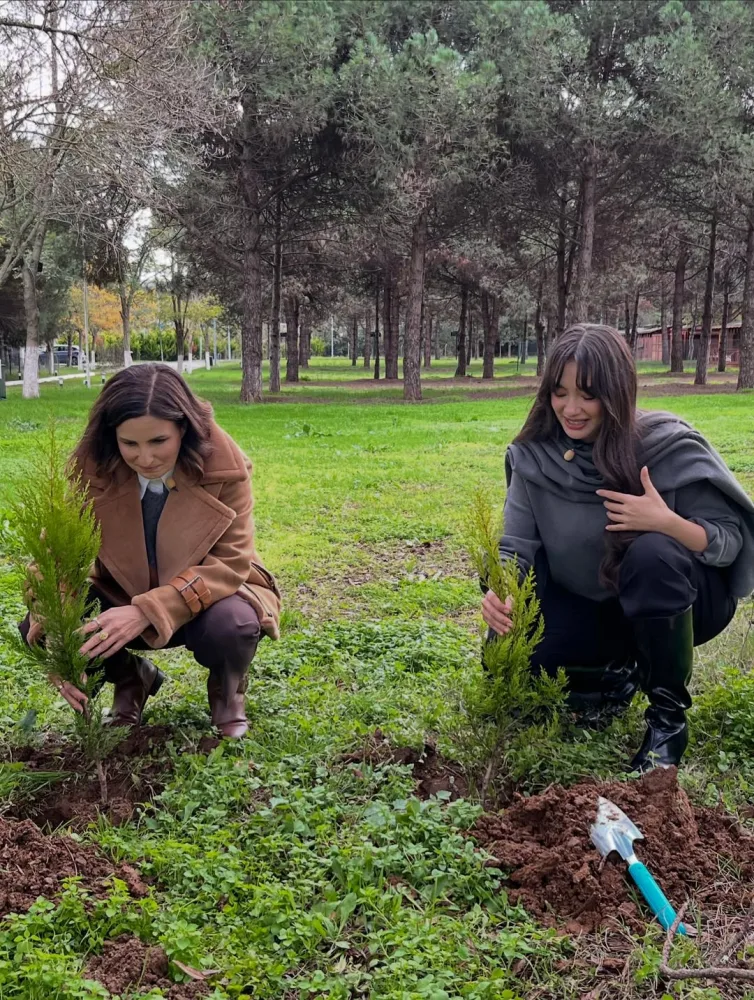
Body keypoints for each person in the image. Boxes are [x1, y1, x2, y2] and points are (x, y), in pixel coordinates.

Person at [482, 324, 754, 771]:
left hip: (680, 602)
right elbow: (517, 546)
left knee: (652, 553)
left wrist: (665, 522)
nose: (571, 409)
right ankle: (614, 675)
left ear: (616, 394)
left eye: (588, 395)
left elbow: (728, 543)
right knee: (508, 658)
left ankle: (667, 726)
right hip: (595, 604)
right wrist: (500, 591)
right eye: (559, 391)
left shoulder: (664, 445)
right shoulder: (535, 458)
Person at [19, 364, 281, 738]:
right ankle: (131, 679)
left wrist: (147, 609)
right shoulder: (89, 473)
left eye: (158, 441)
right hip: (118, 593)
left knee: (234, 624)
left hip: (208, 599)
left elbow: (232, 562)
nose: (145, 458)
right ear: (113, 438)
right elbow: (53, 558)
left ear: (183, 429)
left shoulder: (227, 470)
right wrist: (58, 634)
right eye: (130, 444)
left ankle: (227, 692)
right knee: (43, 625)